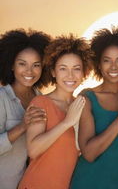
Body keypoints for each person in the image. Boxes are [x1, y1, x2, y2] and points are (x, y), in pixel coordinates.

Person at [70, 26, 118, 189]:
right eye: (107, 60)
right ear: (99, 64)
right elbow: (88, 153)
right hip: (89, 182)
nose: (114, 67)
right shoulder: (87, 97)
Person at [18, 34, 91, 189]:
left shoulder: (82, 105)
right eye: (63, 69)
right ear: (53, 72)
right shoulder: (41, 103)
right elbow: (33, 150)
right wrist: (66, 123)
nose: (70, 75)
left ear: (84, 73)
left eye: (76, 69)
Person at [0, 29, 50, 189]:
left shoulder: (44, 100)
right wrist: (22, 126)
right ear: (12, 65)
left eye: (36, 65)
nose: (29, 71)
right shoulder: (2, 98)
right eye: (22, 64)